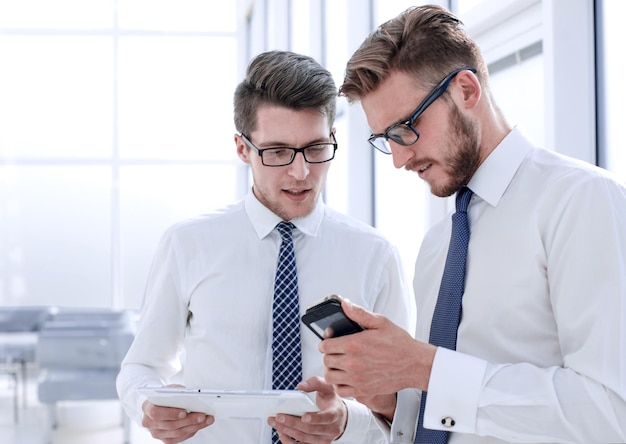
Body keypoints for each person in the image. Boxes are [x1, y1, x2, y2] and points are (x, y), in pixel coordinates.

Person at [318, 5, 626, 444]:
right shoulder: (436, 246)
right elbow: (457, 414)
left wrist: (423, 366)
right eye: (387, 139)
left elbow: (611, 411)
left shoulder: (580, 201)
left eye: (407, 127)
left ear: (465, 90)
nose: (401, 159)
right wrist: (391, 398)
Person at [116, 49, 415, 444]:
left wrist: (346, 421)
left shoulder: (375, 255)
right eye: (276, 152)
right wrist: (147, 405)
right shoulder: (188, 244)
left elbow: (406, 402)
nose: (300, 172)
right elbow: (140, 366)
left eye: (315, 149)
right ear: (243, 149)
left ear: (333, 139)